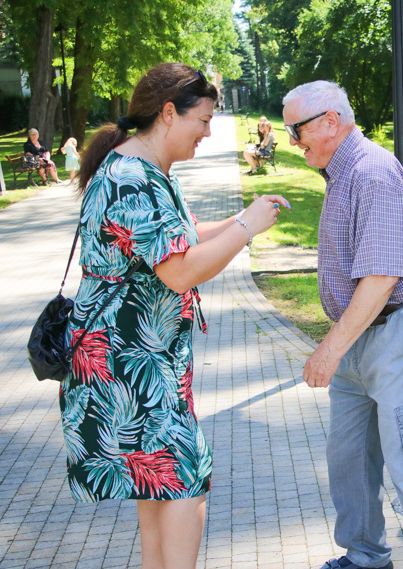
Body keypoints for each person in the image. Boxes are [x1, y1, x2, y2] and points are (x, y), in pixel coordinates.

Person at [62, 63, 288, 569]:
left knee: (158, 487)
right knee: (185, 483)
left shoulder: (148, 170)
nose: (209, 132)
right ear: (168, 113)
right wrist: (246, 230)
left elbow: (176, 236)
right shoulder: (131, 177)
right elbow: (179, 271)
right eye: (203, 120)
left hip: (146, 358)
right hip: (127, 362)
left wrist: (235, 219)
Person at [283, 80, 403, 569]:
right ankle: (366, 555)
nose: (291, 141)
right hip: (357, 338)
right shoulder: (341, 170)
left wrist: (328, 350)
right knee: (348, 461)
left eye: (296, 130)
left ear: (331, 121)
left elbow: (381, 278)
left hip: (396, 335)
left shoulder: (371, 172)